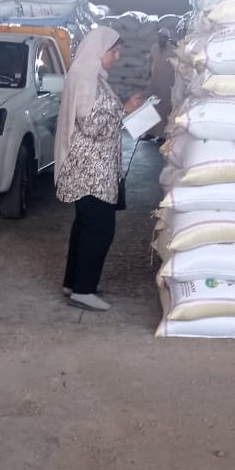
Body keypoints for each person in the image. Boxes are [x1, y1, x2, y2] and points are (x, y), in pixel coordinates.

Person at [54, 26, 143, 312]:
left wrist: (125, 111)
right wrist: (125, 110)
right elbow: (92, 125)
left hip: (92, 168)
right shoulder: (86, 78)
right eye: (113, 51)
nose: (117, 57)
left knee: (85, 225)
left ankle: (74, 283)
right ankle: (83, 291)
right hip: (89, 170)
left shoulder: (91, 76)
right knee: (99, 229)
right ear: (98, 49)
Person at [145, 28, 177, 138]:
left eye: (163, 37)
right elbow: (150, 60)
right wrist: (148, 72)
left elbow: (178, 66)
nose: (161, 39)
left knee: (165, 109)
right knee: (151, 107)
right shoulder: (154, 48)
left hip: (167, 84)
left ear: (167, 39)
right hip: (154, 83)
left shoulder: (173, 50)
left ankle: (162, 135)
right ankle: (150, 133)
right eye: (159, 37)